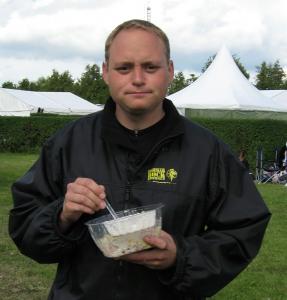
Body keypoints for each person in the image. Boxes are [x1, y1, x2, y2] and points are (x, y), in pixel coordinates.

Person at [9, 19, 271, 300]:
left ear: (169, 71)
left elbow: (243, 229)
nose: (137, 78)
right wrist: (61, 215)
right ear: (106, 72)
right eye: (124, 67)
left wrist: (179, 257)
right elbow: (24, 224)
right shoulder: (69, 143)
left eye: (150, 67)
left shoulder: (207, 151)